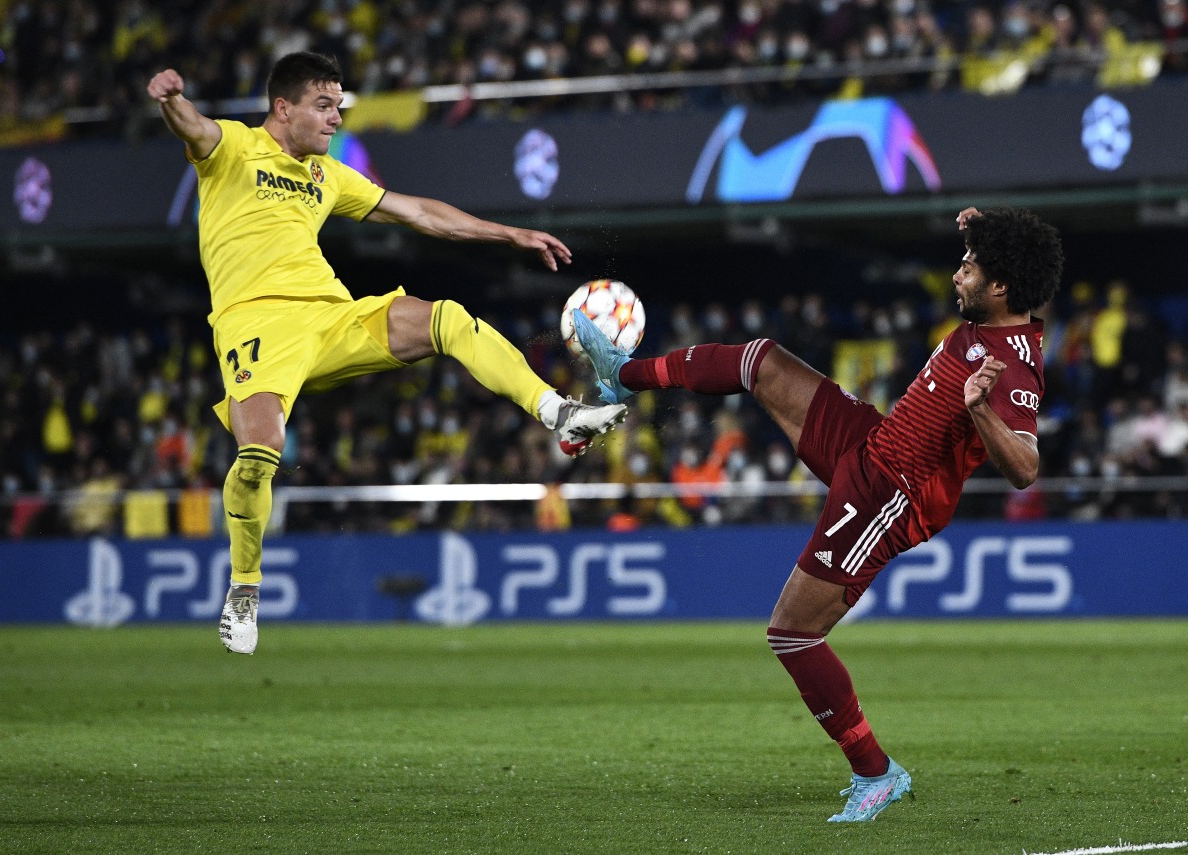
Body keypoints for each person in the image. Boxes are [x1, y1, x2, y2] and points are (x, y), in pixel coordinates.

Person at [573, 206, 1063, 822]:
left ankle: (877, 773)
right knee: (761, 360)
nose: (957, 274)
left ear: (1001, 288)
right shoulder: (993, 309)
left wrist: (982, 410)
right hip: (873, 444)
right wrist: (985, 228)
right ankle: (623, 378)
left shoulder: (1014, 362)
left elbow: (1024, 468)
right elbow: (1006, 259)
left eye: (969, 266)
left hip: (891, 493)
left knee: (792, 633)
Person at [146, 52, 627, 655]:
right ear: (283, 107)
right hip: (256, 326)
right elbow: (195, 127)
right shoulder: (234, 150)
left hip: (329, 317)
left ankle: (559, 413)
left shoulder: (328, 176)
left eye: (339, 107)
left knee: (444, 318)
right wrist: (169, 99)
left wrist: (508, 233)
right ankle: (245, 589)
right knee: (258, 456)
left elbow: (420, 212)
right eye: (324, 106)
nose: (335, 119)